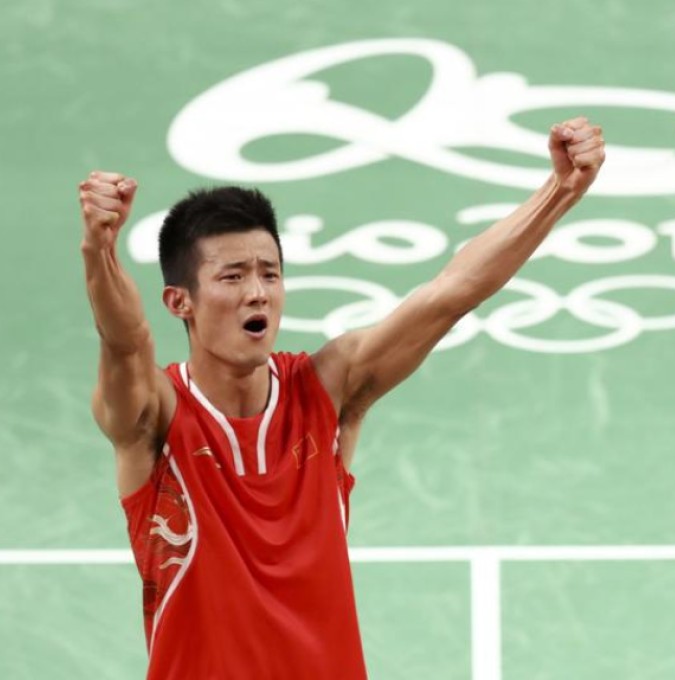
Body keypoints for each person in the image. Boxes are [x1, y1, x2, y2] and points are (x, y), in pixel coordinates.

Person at [79, 117, 605, 679]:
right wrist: (99, 250)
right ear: (180, 301)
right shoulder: (153, 418)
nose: (258, 291)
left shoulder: (327, 390)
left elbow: (450, 293)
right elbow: (125, 339)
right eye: (232, 277)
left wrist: (560, 192)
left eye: (270, 273)